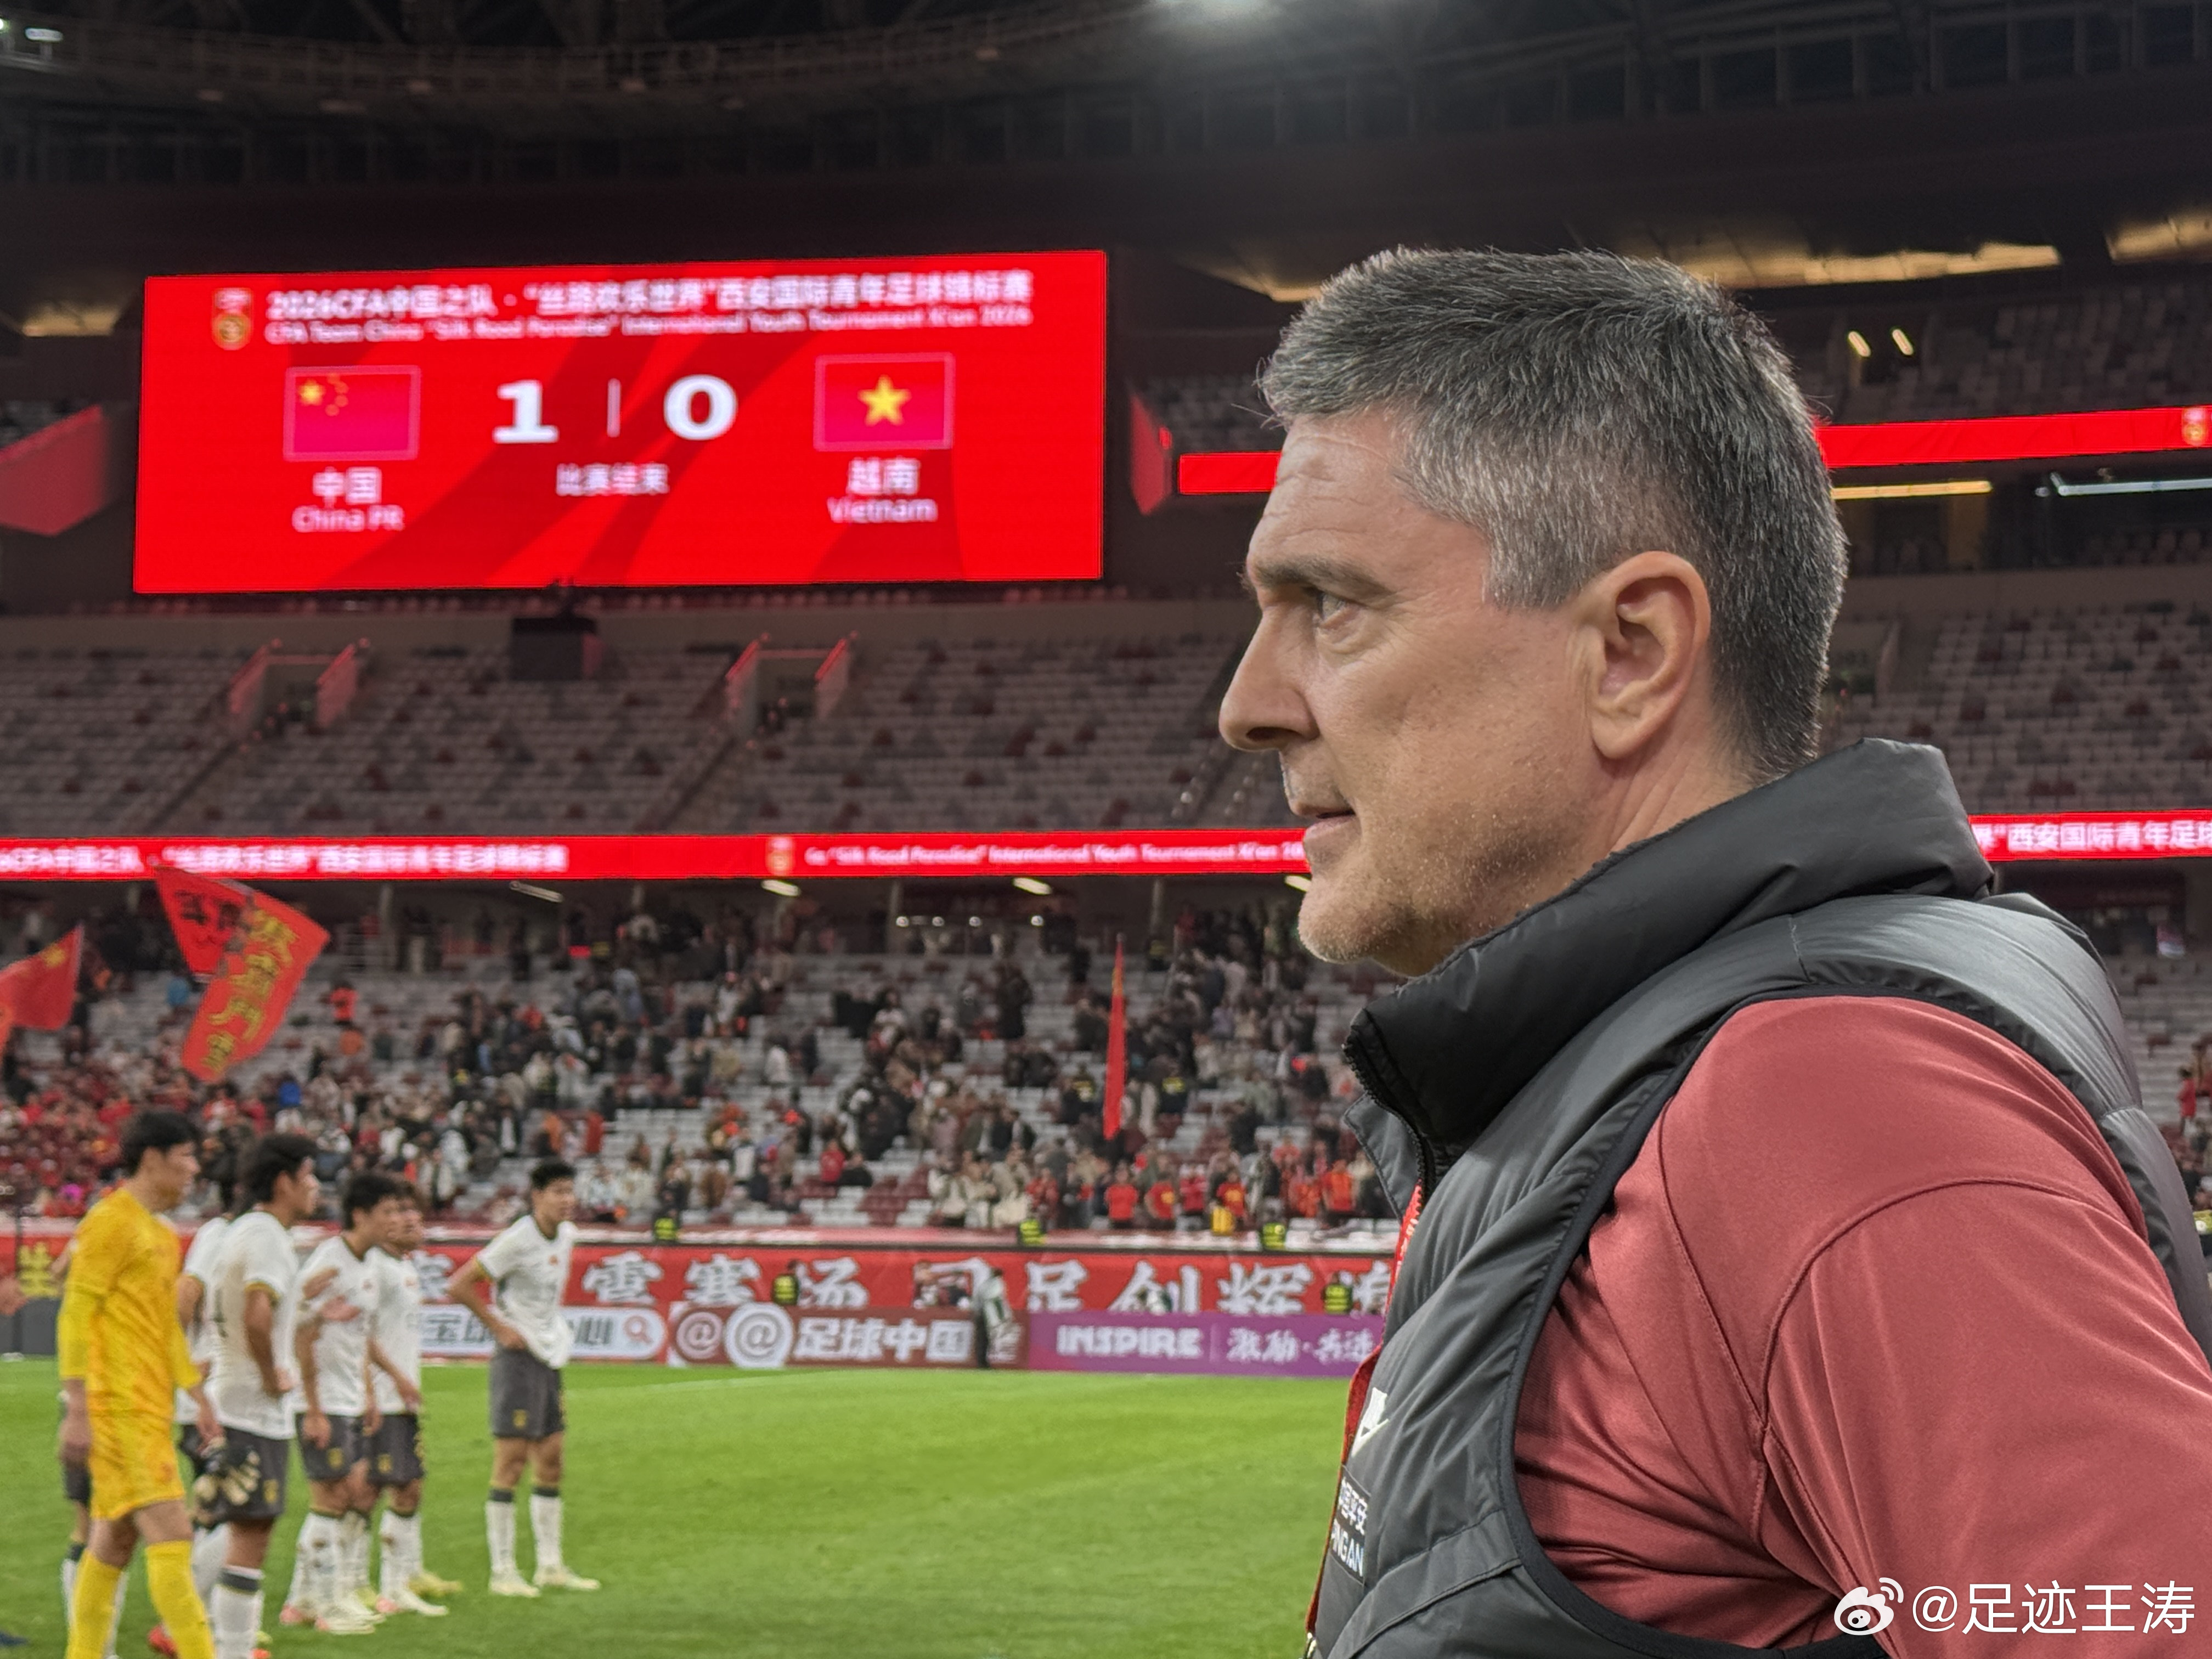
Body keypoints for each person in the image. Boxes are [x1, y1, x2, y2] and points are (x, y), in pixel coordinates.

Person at [1221, 248, 2212, 1656]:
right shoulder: (1648, 1062)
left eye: (1332, 604)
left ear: (1631, 651)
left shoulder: (1823, 1102)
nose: (1248, 704)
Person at [54, 1110, 220, 1659]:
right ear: (153, 1158)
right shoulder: (110, 1221)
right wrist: (78, 1407)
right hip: (117, 1408)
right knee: (173, 1533)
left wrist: (195, 1393)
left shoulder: (163, 1234)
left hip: (149, 1407)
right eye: (187, 1156)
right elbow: (77, 1312)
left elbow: (165, 1326)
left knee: (114, 1541)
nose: (195, 1169)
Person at [447, 1159, 600, 1596]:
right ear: (537, 1197)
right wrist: (499, 1328)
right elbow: (459, 1284)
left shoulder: (566, 1235)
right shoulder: (517, 1239)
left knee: (552, 1459)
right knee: (511, 1461)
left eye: (570, 1191)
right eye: (558, 1192)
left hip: (549, 1355)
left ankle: (550, 1565)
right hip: (517, 1358)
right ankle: (503, 1571)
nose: (568, 1200)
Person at [199, 1133, 324, 1659]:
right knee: (252, 1533)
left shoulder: (243, 1231)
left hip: (229, 1396)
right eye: (309, 1175)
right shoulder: (269, 1236)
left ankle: (191, 1624)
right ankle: (231, 1648)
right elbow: (257, 1315)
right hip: (250, 1403)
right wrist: (273, 1375)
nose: (316, 1186)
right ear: (283, 1181)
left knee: (235, 1523)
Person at [276, 1171, 401, 1634]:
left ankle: (303, 1601)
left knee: (348, 1493)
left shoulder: (368, 1264)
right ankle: (326, 1607)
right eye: (387, 1212)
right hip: (322, 1398)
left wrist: (368, 1392)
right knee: (332, 1496)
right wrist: (311, 1406)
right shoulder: (328, 1265)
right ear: (360, 1215)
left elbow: (358, 1336)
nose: (394, 1220)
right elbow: (301, 1333)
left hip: (347, 1397)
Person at [366, 1181, 461, 1615]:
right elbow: (359, 1333)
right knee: (379, 1492)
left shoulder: (402, 1265)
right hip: (381, 1398)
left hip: (399, 1398)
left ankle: (405, 1575)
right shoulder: (376, 1267)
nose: (411, 1220)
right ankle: (385, 1586)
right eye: (399, 1211)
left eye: (415, 1211)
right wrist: (395, 1378)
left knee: (408, 1486)